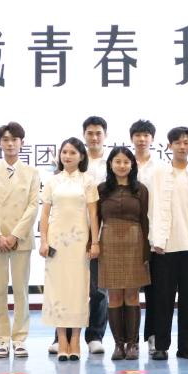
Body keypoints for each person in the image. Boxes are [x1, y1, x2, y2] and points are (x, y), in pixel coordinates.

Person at [148, 126, 188, 360]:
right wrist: (155, 239)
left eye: (186, 142)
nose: (182, 146)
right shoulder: (158, 173)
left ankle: (186, 346)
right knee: (163, 298)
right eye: (177, 142)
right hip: (164, 246)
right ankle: (161, 345)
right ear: (169, 146)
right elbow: (152, 208)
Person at [0, 122, 40, 359]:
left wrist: (15, 235)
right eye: (6, 140)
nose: (10, 144)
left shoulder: (31, 172)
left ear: (22, 143)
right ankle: (2, 340)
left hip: (21, 240)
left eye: (14, 140)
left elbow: (33, 206)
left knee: (21, 291)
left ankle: (20, 339)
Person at [40, 138, 100, 361]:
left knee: (78, 289)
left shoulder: (88, 181)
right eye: (64, 152)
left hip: (79, 242)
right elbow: (44, 214)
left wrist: (95, 242)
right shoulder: (52, 181)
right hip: (56, 242)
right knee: (58, 289)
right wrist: (43, 241)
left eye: (72, 152)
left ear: (81, 156)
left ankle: (75, 339)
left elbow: (93, 214)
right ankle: (61, 340)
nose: (67, 156)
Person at [97, 146, 151, 360]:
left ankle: (132, 344)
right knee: (114, 295)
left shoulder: (141, 189)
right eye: (117, 161)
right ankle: (118, 345)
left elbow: (145, 220)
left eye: (126, 162)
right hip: (109, 244)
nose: (122, 165)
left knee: (132, 295)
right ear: (110, 165)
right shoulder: (102, 189)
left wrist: (146, 251)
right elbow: (95, 220)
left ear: (132, 165)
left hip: (135, 244)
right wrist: (93, 244)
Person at [129, 119, 160, 352]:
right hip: (127, 232)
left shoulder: (160, 167)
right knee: (128, 289)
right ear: (131, 138)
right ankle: (129, 339)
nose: (141, 139)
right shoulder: (123, 163)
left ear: (152, 139)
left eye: (146, 135)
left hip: (153, 232)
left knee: (154, 288)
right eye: (138, 135)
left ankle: (152, 334)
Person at [82, 115, 109, 355]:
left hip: (101, 231)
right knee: (70, 285)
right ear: (84, 136)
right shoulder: (75, 160)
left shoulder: (112, 163)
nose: (94, 137)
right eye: (90, 133)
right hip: (73, 231)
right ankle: (63, 336)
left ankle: (95, 336)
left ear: (105, 136)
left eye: (98, 133)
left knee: (99, 288)